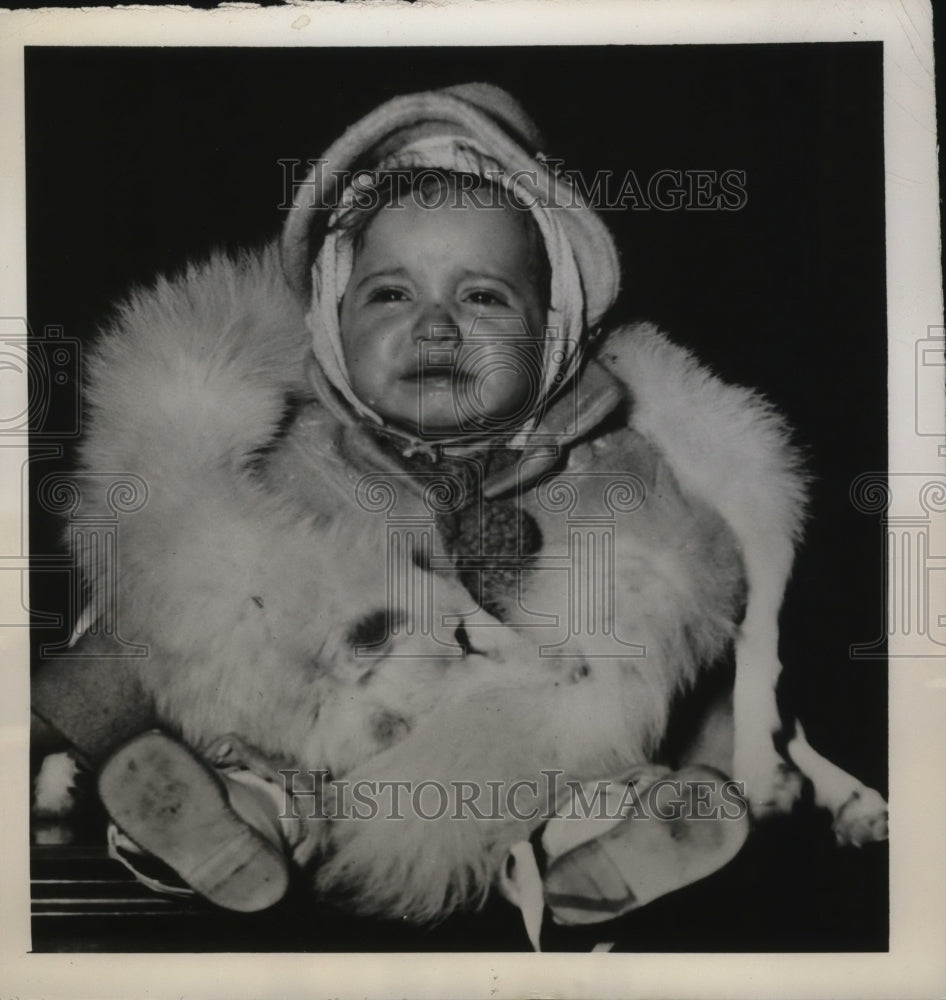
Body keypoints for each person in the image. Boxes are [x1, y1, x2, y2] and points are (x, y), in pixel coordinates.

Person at [31, 83, 808, 935]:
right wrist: (50, 722)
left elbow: (702, 641)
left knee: (598, 759)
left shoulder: (611, 462)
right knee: (254, 758)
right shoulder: (298, 454)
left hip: (519, 761)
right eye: (391, 295)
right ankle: (229, 822)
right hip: (321, 737)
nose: (436, 329)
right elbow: (163, 607)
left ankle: (613, 841)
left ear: (555, 330)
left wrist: (726, 764)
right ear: (330, 324)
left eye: (482, 297)